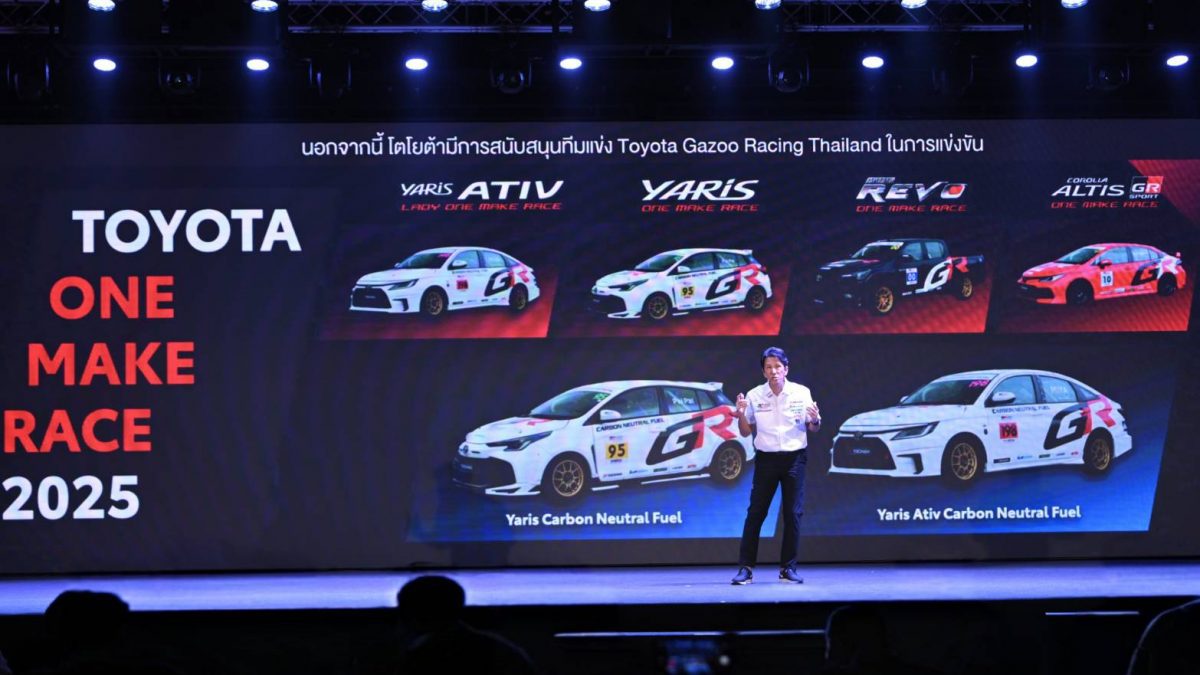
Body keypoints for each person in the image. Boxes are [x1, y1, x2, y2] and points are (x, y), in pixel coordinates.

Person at [731, 346, 820, 585]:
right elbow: (745, 431)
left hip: (794, 459)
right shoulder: (754, 395)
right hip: (766, 460)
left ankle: (787, 569)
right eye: (768, 367)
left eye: (778, 367)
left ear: (786, 369)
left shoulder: (801, 392)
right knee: (756, 513)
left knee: (793, 514)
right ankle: (746, 569)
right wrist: (741, 414)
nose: (773, 371)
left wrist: (815, 419)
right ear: (763, 371)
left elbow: (813, 427)